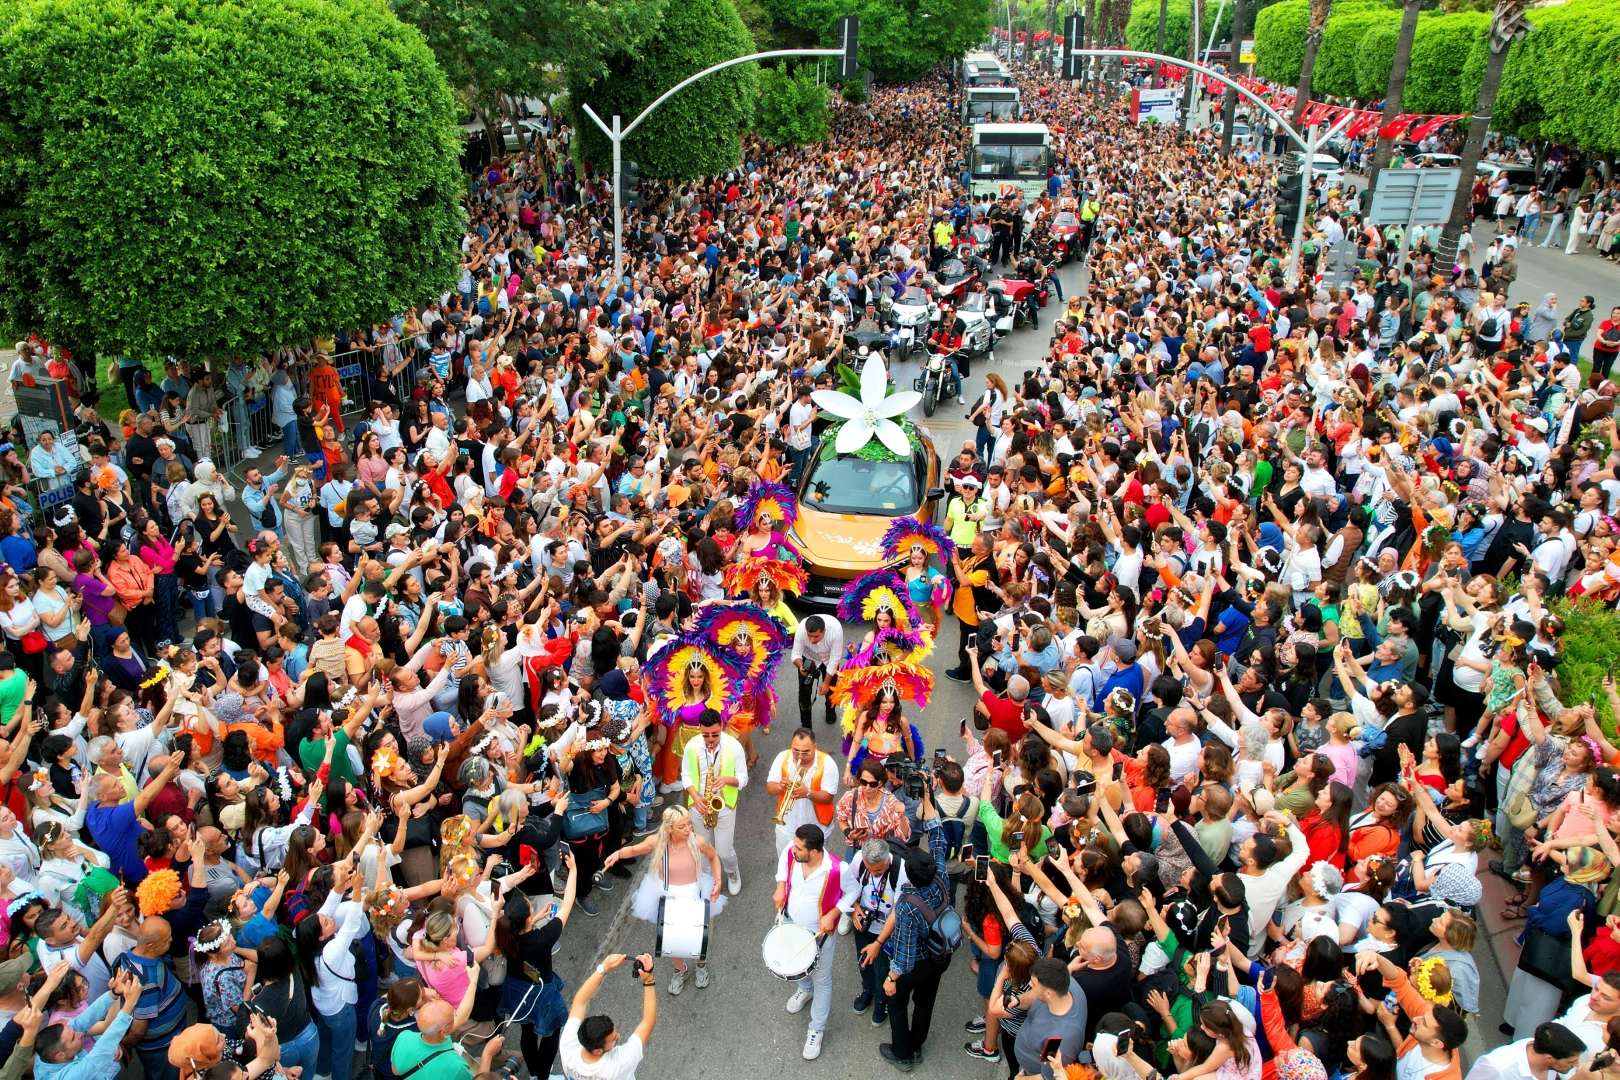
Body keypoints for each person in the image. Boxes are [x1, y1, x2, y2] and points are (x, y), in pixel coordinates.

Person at [879, 778, 952, 1071]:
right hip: (939, 956)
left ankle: (902, 1052)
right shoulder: (941, 876)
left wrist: (891, 978)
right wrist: (926, 798)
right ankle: (917, 1046)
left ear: (909, 874)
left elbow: (905, 953)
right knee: (925, 1003)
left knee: (898, 1005)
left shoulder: (908, 904)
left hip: (916, 963)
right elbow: (937, 838)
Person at [677, 709, 745, 895]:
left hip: (724, 806)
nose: (710, 739)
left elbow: (743, 778)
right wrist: (696, 797)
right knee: (702, 846)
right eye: (706, 735)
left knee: (724, 850)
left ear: (721, 727)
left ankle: (732, 873)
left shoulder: (733, 746)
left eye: (715, 734)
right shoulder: (692, 746)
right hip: (699, 805)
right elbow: (685, 775)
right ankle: (707, 877)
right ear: (700, 729)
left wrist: (726, 780)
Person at [558, 953, 657, 1080]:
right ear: (598, 1051)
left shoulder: (568, 1046)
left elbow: (579, 1001)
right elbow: (648, 1022)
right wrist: (649, 980)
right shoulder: (619, 1063)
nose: (618, 1036)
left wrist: (604, 967)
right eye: (614, 1039)